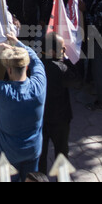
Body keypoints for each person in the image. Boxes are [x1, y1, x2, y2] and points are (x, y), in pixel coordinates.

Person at [0, 35, 46, 181]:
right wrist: (18, 44)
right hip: (33, 149)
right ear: (26, 66)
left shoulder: (3, 92)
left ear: (9, 70)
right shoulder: (40, 85)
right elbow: (36, 60)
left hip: (8, 152)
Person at [38, 33, 73, 174]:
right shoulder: (61, 68)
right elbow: (76, 80)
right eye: (62, 49)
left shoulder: (36, 65)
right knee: (61, 154)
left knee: (40, 156)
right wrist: (68, 60)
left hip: (40, 118)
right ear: (52, 52)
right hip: (60, 119)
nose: (64, 51)